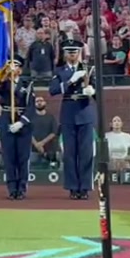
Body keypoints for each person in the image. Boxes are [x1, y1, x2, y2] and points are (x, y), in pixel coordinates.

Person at [50, 40, 96, 200]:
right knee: (70, 153)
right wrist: (70, 80)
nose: (72, 54)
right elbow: (53, 90)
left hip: (85, 113)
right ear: (64, 54)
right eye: (69, 52)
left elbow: (98, 94)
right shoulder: (60, 71)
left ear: (79, 53)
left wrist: (93, 91)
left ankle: (84, 187)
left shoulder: (88, 70)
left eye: (75, 51)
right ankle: (72, 187)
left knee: (86, 152)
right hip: (69, 113)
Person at [0, 57, 34, 199]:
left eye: (15, 66)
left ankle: (22, 188)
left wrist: (22, 122)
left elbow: (30, 107)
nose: (13, 68)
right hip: (7, 120)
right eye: (10, 66)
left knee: (23, 158)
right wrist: (6, 75)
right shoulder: (4, 83)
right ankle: (12, 189)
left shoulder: (27, 84)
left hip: (22, 124)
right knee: (9, 158)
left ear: (20, 69)